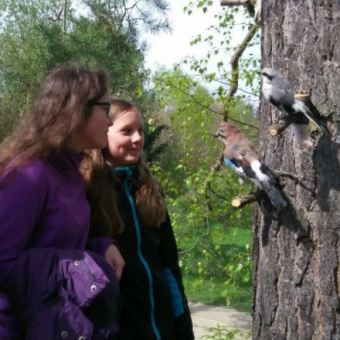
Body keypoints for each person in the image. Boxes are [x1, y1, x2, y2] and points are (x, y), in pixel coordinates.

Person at [0, 65, 125, 340]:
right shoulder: (29, 175)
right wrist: (81, 265)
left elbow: (57, 244)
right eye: (105, 109)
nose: (110, 121)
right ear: (77, 111)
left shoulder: (71, 173)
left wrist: (100, 248)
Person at [83, 99, 195, 340]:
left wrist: (182, 323)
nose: (137, 139)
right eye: (126, 131)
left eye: (141, 131)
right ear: (104, 133)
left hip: (163, 326)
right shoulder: (85, 191)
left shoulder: (149, 189)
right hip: (117, 327)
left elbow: (169, 266)